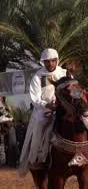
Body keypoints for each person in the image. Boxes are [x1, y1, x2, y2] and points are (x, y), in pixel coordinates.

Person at [17, 48, 67, 177]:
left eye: (52, 61)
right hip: (44, 110)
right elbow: (35, 98)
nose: (50, 64)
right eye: (47, 61)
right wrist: (47, 105)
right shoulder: (37, 77)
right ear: (43, 62)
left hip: (64, 108)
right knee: (39, 124)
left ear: (57, 60)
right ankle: (36, 159)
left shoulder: (65, 73)